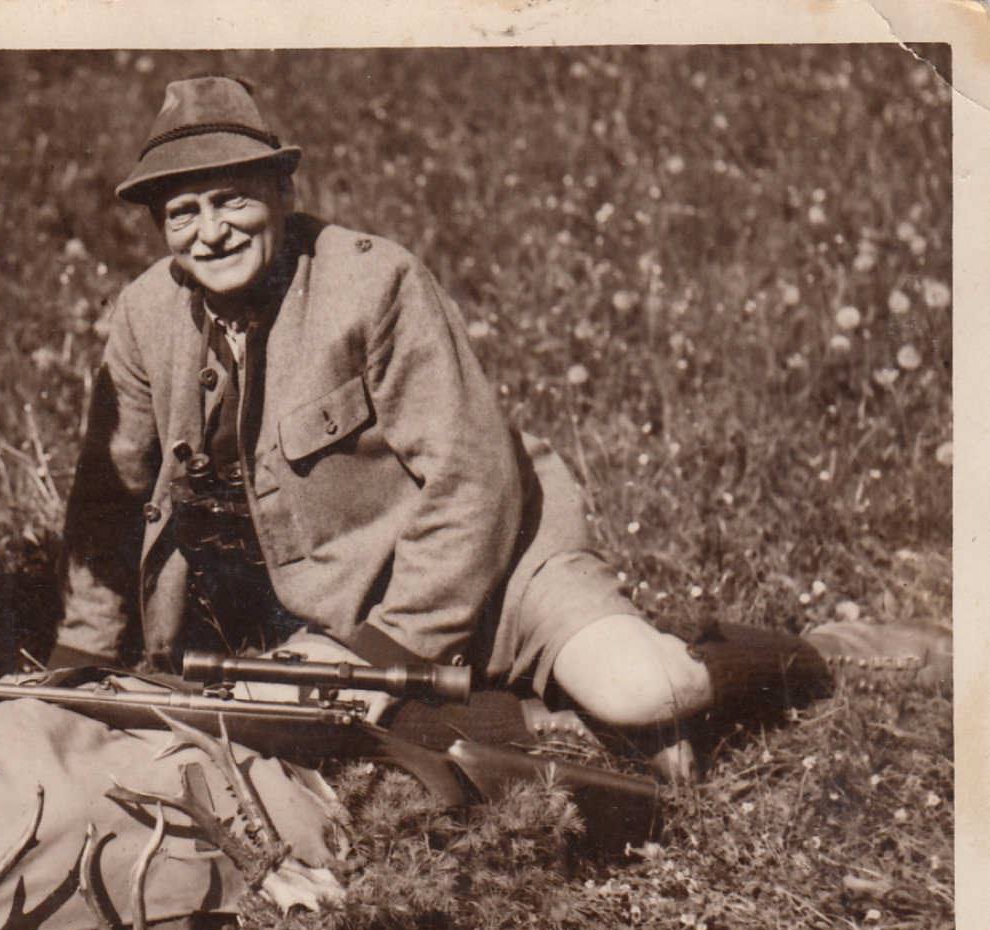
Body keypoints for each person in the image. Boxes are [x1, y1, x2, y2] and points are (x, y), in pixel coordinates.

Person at [50, 75, 950, 777]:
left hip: (507, 561)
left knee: (643, 689)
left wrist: (385, 655)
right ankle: (553, 724)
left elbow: (475, 479)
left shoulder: (374, 282)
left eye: (233, 199)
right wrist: (84, 650)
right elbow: (111, 495)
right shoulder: (145, 316)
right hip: (344, 601)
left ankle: (810, 656)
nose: (210, 232)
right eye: (183, 211)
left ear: (283, 190)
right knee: (269, 722)